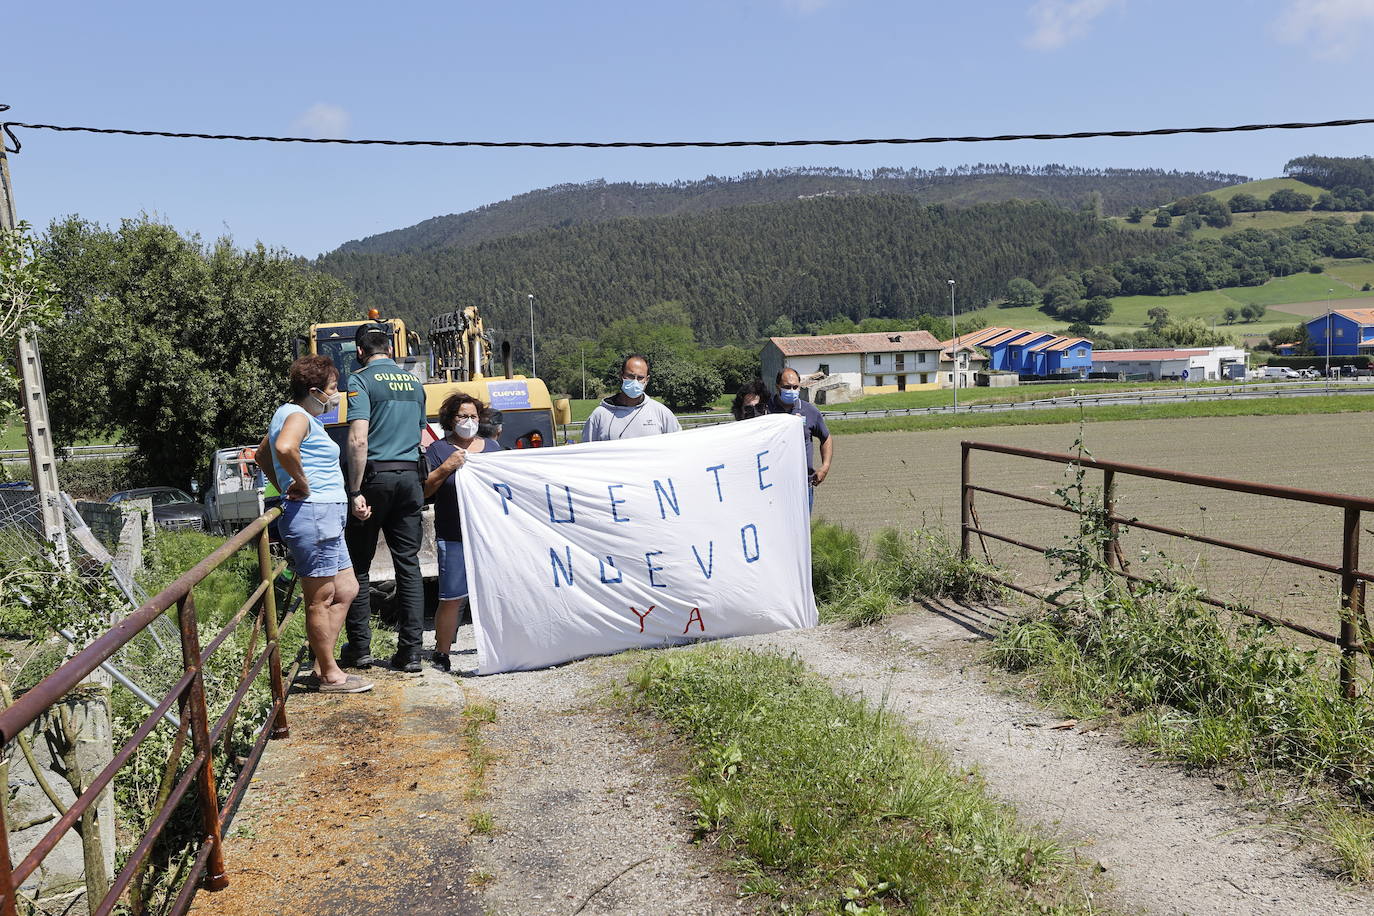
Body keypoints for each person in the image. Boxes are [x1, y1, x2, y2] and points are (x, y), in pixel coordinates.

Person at [255, 356, 372, 694]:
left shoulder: (296, 415)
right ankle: (330, 675)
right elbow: (283, 447)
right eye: (334, 389)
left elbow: (264, 454)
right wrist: (301, 483)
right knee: (321, 597)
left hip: (324, 515)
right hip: (313, 514)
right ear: (315, 391)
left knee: (347, 588)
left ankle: (323, 662)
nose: (337, 395)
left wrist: (281, 482)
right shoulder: (296, 416)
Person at [342, 323, 429, 672]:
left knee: (360, 566)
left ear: (361, 351)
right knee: (408, 564)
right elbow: (420, 432)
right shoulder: (415, 383)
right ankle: (411, 653)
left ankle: (360, 649)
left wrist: (355, 489)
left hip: (376, 477)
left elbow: (358, 440)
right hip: (410, 477)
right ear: (390, 349)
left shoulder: (360, 380)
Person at [424, 393, 504, 672]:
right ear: (450, 419)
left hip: (490, 536)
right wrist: (447, 467)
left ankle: (502, 646)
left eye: (473, 416)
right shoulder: (438, 450)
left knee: (496, 592)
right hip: (453, 534)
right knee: (451, 597)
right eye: (462, 416)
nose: (468, 421)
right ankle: (442, 652)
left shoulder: (493, 448)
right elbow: (425, 489)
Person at [769, 368, 833, 511]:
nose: (791, 390)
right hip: (773, 486)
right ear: (777, 387)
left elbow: (826, 437)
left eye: (795, 387)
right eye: (786, 387)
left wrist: (825, 466)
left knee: (802, 531)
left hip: (803, 485)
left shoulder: (810, 411)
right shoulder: (766, 410)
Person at [581, 354, 682, 441]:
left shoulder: (662, 413)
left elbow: (677, 447)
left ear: (647, 380)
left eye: (640, 378)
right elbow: (586, 453)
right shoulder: (600, 415)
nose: (635, 381)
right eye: (630, 376)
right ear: (621, 375)